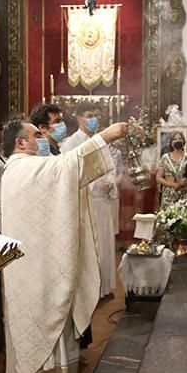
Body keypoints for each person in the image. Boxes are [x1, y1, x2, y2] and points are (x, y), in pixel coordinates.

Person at [0, 118, 128, 373]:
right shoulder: (21, 168)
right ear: (20, 143)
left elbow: (62, 175)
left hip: (40, 265)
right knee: (41, 328)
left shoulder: (26, 168)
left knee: (50, 329)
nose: (42, 138)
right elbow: (67, 166)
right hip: (33, 273)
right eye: (36, 135)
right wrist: (106, 136)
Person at [61, 102, 119, 298]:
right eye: (88, 115)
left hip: (103, 202)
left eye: (95, 115)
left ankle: (104, 287)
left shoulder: (99, 141)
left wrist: (110, 182)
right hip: (86, 203)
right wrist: (94, 184)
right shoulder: (70, 144)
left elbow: (110, 167)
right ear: (79, 119)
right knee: (91, 247)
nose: (93, 119)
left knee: (104, 244)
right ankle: (90, 293)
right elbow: (68, 173)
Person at [156, 131, 187, 209]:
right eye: (175, 139)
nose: (177, 140)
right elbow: (158, 177)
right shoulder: (165, 157)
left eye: (179, 138)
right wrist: (171, 184)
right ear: (171, 142)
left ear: (183, 141)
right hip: (169, 197)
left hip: (185, 195)